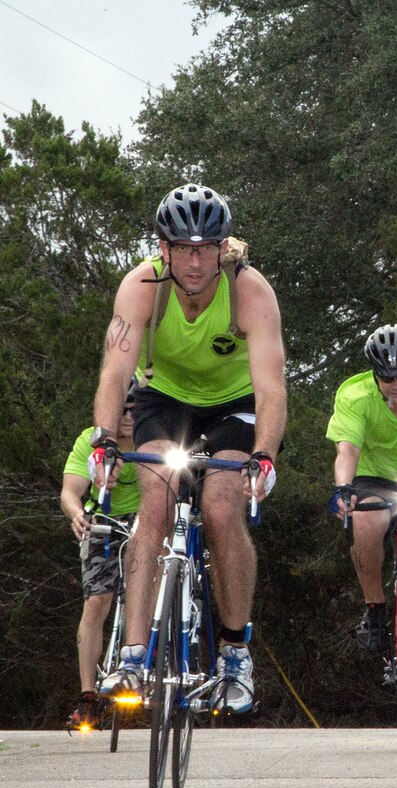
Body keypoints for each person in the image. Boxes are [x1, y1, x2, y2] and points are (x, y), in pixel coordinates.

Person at [91, 183, 287, 715]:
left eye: (207, 248)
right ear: (164, 248)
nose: (196, 260)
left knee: (223, 507)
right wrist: (105, 440)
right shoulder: (140, 287)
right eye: (184, 248)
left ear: (223, 248)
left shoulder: (251, 292)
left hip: (235, 407)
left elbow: (271, 389)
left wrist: (264, 455)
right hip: (165, 399)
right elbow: (114, 375)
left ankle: (234, 652)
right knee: (153, 502)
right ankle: (132, 654)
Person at [326, 323, 397, 651]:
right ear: (374, 374)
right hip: (374, 477)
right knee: (365, 521)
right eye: (387, 378)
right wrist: (343, 488)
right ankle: (374, 606)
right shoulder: (355, 394)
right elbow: (347, 450)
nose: (396, 384)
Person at [61, 391, 139, 727]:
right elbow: (69, 490)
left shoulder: (155, 440)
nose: (127, 417)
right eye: (121, 409)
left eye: (135, 410)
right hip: (103, 520)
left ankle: (137, 669)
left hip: (143, 520)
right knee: (97, 602)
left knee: (142, 596)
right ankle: (87, 695)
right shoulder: (89, 441)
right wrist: (77, 513)